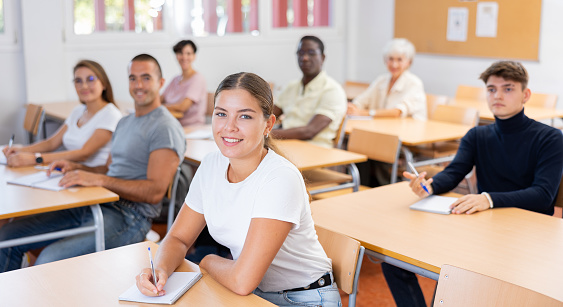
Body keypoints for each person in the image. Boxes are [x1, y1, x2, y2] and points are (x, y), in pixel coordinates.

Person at [136, 72, 341, 307]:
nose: (229, 127)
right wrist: (159, 269)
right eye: (221, 114)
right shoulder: (212, 165)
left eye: (244, 116)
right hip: (249, 295)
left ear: (268, 124)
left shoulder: (279, 178)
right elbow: (178, 238)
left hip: (302, 298)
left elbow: (242, 280)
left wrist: (207, 260)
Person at [384, 60, 563, 307]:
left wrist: (488, 199)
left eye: (508, 89)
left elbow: (543, 195)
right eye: (491, 89)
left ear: (526, 95)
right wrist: (430, 186)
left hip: (528, 233)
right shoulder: (478, 135)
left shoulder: (550, 138)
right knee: (392, 259)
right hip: (484, 227)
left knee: (453, 276)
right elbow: (455, 172)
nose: (497, 95)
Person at [0, 54, 186, 272]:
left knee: (48, 262)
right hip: (96, 203)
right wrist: (79, 169)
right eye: (132, 78)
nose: (138, 85)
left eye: (146, 78)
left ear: (161, 83)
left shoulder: (164, 127)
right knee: (7, 236)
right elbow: (107, 170)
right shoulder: (125, 122)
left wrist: (97, 178)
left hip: (129, 216)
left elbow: (155, 192)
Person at [2, 60, 122, 167]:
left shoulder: (110, 115)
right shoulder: (78, 111)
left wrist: (36, 158)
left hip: (93, 180)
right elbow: (51, 143)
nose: (84, 86)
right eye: (78, 81)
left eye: (90, 79)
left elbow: (83, 154)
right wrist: (21, 150)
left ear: (104, 84)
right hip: (69, 172)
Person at [271, 35, 346, 148]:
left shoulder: (332, 90)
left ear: (323, 57)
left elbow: (309, 132)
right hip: (286, 145)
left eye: (311, 53)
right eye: (300, 53)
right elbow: (268, 115)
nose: (305, 58)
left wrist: (264, 134)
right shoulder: (291, 87)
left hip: (315, 150)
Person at [347, 38, 427, 120]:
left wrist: (364, 113)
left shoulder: (414, 83)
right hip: (383, 126)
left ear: (408, 62)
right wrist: (352, 107)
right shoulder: (381, 80)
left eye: (399, 60)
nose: (394, 65)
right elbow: (361, 100)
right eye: (391, 59)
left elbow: (397, 112)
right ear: (385, 60)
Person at [161, 40, 207, 126]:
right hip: (174, 124)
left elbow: (183, 107)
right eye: (180, 53)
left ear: (194, 56)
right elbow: (160, 98)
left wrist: (160, 107)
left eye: (188, 53)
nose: (184, 57)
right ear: (176, 56)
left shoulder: (198, 79)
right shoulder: (175, 79)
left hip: (191, 127)